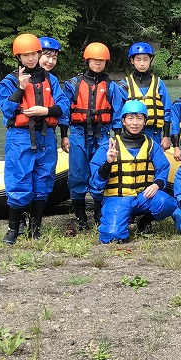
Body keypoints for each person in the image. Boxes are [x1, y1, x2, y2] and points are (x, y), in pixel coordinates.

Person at [0, 34, 69, 244]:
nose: (31, 58)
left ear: (39, 54)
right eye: (26, 55)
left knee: (43, 182)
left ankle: (34, 229)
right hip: (20, 137)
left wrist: (45, 110)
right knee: (19, 181)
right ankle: (12, 230)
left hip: (45, 136)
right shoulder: (9, 82)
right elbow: (7, 110)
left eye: (34, 54)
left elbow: (63, 106)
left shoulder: (50, 79)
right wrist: (20, 88)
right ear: (18, 57)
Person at [89, 100, 177, 243]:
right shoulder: (109, 146)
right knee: (113, 236)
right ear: (123, 121)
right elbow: (96, 184)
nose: (135, 123)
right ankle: (119, 219)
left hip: (143, 197)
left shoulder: (151, 145)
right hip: (118, 199)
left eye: (139, 118)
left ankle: (144, 221)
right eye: (130, 118)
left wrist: (156, 185)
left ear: (144, 121)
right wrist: (108, 163)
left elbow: (163, 168)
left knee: (168, 203)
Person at [63, 42, 125, 231]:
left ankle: (98, 213)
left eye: (102, 61)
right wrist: (63, 135)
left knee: (100, 171)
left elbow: (117, 112)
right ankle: (81, 216)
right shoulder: (73, 84)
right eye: (95, 60)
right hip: (78, 133)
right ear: (87, 60)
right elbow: (65, 112)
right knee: (78, 174)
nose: (98, 64)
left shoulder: (111, 86)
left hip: (103, 133)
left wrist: (117, 137)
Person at [119, 42, 172, 150]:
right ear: (132, 61)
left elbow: (167, 110)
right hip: (131, 133)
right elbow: (118, 112)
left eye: (146, 59)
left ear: (150, 61)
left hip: (154, 133)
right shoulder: (124, 84)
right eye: (138, 59)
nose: (142, 63)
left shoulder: (159, 83)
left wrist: (166, 136)